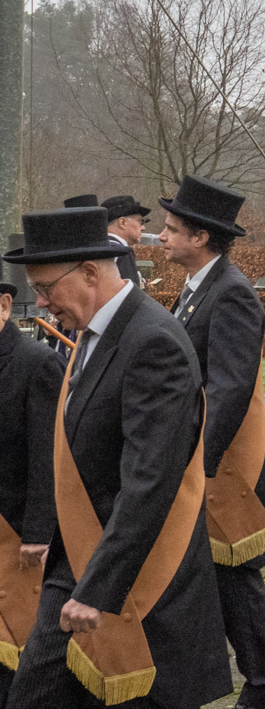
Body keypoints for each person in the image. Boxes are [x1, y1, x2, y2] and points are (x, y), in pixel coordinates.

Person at [4, 205, 231, 709]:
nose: (41, 303)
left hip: (131, 577)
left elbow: (149, 481)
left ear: (90, 272)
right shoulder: (96, 332)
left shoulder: (152, 342)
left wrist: (96, 589)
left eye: (46, 288)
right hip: (79, 561)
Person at [158, 174, 265, 708]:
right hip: (198, 463)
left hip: (221, 473)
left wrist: (195, 465)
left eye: (172, 229)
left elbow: (230, 389)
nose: (161, 236)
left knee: (237, 584)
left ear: (201, 237)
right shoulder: (198, 287)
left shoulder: (231, 292)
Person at [0, 277, 65, 704]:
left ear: (5, 305)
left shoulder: (37, 363)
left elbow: (49, 457)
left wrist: (39, 533)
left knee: (15, 654)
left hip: (16, 532)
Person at [63, 194, 141, 287]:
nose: (143, 227)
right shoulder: (119, 252)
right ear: (122, 222)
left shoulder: (70, 253)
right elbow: (127, 292)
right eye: (140, 221)